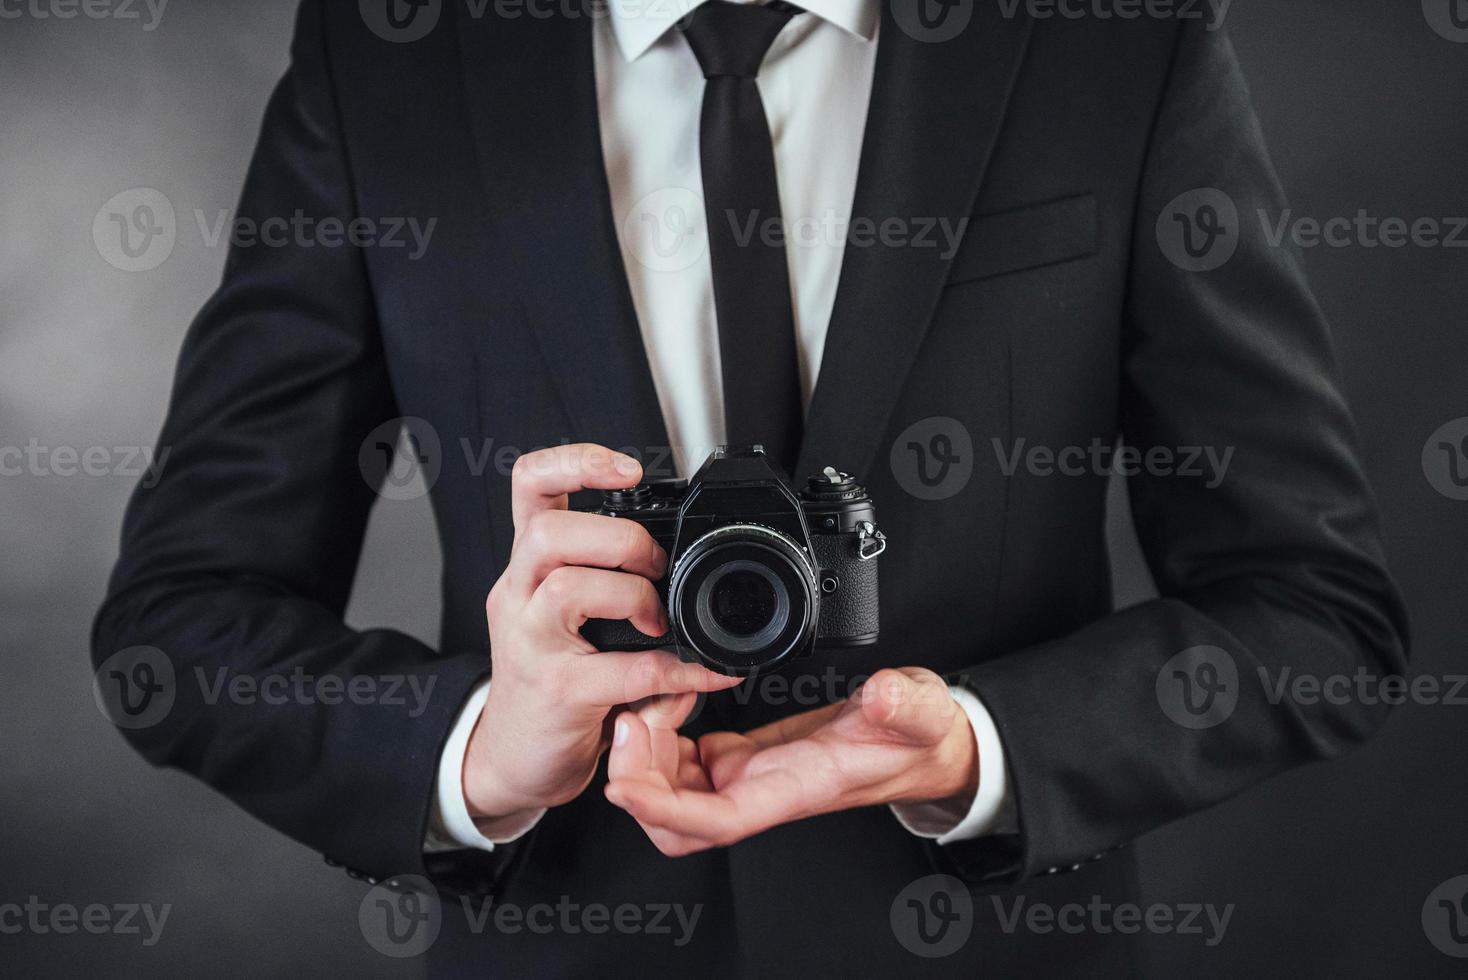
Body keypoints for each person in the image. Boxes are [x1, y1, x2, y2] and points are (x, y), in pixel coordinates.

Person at [94, 0, 1408, 974]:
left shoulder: (1113, 43)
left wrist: (986, 751)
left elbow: (1314, 612)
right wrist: (477, 756)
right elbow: (184, 620)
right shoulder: (390, 58)